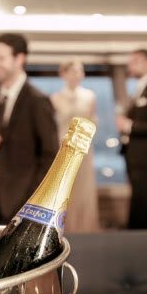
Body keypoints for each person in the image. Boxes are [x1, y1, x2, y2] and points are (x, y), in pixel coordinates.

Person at [0, 33, 59, 224]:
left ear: (20, 59)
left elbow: (50, 155)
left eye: (1, 58)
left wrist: (32, 201)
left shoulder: (38, 101)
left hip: (19, 198)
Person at [115, 49, 147, 229]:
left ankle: (133, 238)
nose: (130, 65)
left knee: (139, 198)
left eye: (135, 61)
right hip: (133, 153)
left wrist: (129, 125)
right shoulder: (139, 89)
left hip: (146, 154)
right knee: (142, 198)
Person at [50, 58, 99, 232]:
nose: (77, 75)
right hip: (63, 148)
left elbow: (93, 122)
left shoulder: (90, 96)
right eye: (73, 71)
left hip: (84, 149)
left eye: (80, 71)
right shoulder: (54, 98)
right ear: (63, 74)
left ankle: (86, 227)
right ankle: (64, 226)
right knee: (65, 188)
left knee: (84, 189)